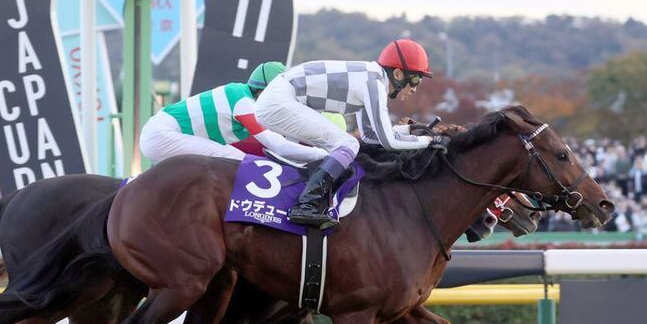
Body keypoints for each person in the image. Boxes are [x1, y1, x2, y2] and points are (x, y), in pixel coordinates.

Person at [254, 39, 448, 228]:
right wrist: (428, 141)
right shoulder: (374, 84)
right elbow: (388, 142)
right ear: (398, 74)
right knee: (347, 144)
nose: (415, 88)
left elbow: (370, 136)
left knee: (337, 151)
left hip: (280, 98)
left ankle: (306, 198)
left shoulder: (371, 77)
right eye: (415, 79)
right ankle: (307, 204)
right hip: (280, 100)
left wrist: (408, 130)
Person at [139, 62, 328, 166]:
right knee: (238, 160)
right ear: (268, 90)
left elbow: (285, 137)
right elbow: (278, 146)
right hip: (161, 135)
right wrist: (325, 155)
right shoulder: (244, 103)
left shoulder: (242, 95)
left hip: (160, 132)